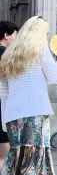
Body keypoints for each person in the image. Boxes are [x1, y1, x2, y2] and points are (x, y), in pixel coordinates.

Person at [0, 16, 57, 175]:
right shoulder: (39, 48)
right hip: (34, 113)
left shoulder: (10, 53)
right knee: (32, 162)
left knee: (13, 162)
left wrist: (4, 118)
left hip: (12, 116)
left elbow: (3, 90)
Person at [0, 21, 19, 165]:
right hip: (2, 108)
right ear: (6, 35)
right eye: (15, 35)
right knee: (5, 157)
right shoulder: (5, 54)